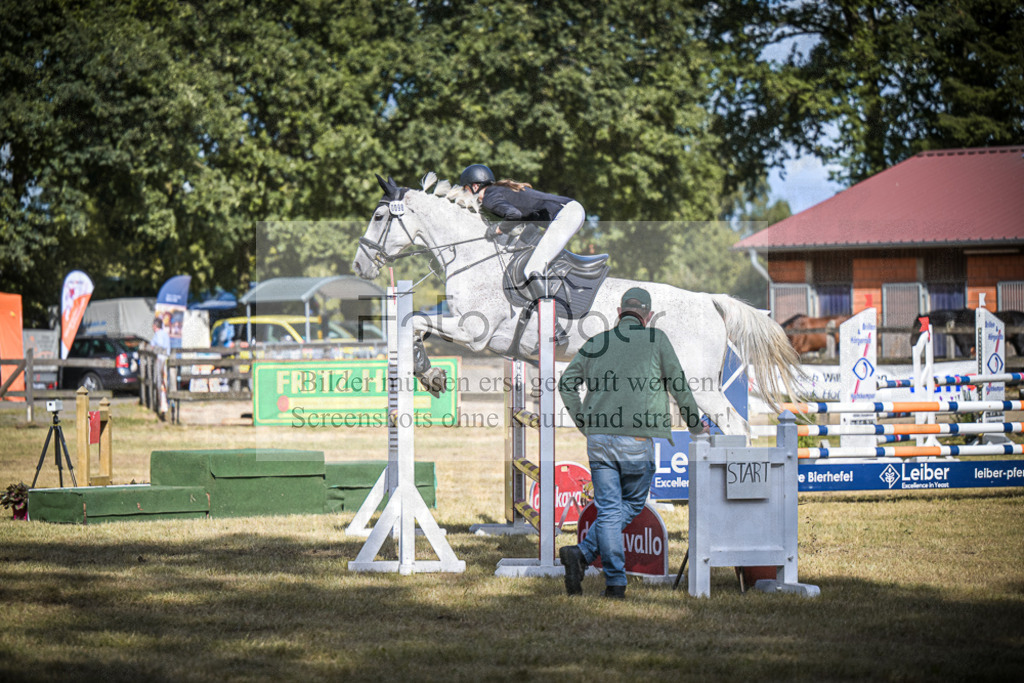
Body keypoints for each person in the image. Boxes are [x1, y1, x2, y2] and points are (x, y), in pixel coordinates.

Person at [557, 286, 706, 599]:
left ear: (619, 312)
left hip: (598, 440)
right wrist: (695, 425)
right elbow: (678, 386)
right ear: (648, 316)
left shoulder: (596, 342)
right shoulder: (656, 339)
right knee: (632, 503)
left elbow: (566, 384)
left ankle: (598, 569)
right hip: (635, 439)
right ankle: (594, 565)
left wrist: (585, 423)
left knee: (609, 510)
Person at [458, 164, 585, 301]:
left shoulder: (489, 198)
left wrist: (499, 229)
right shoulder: (498, 191)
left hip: (566, 216)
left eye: (466, 189)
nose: (466, 194)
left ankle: (550, 320)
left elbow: (514, 214)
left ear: (475, 186)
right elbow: (526, 218)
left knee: (532, 269)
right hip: (571, 210)